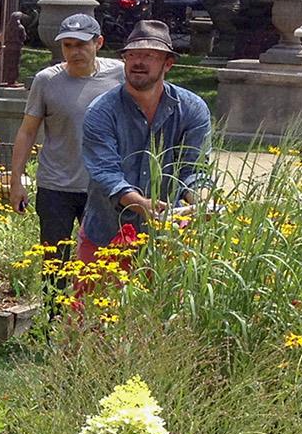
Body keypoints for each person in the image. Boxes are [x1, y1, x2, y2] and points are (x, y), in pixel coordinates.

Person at [79, 20, 215, 263]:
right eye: (132, 55)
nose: (138, 62)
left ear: (168, 64)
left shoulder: (193, 109)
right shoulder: (101, 111)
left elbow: (194, 169)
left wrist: (201, 200)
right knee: (94, 302)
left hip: (169, 238)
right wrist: (140, 203)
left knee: (165, 302)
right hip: (108, 233)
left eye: (149, 55)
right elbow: (105, 173)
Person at [9, 13, 124, 259]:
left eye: (81, 44)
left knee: (101, 263)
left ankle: (87, 300)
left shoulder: (120, 76)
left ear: (99, 43)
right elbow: (28, 131)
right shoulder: (46, 80)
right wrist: (16, 180)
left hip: (102, 187)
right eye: (68, 45)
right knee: (54, 261)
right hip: (56, 185)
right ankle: (53, 300)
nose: (74, 52)